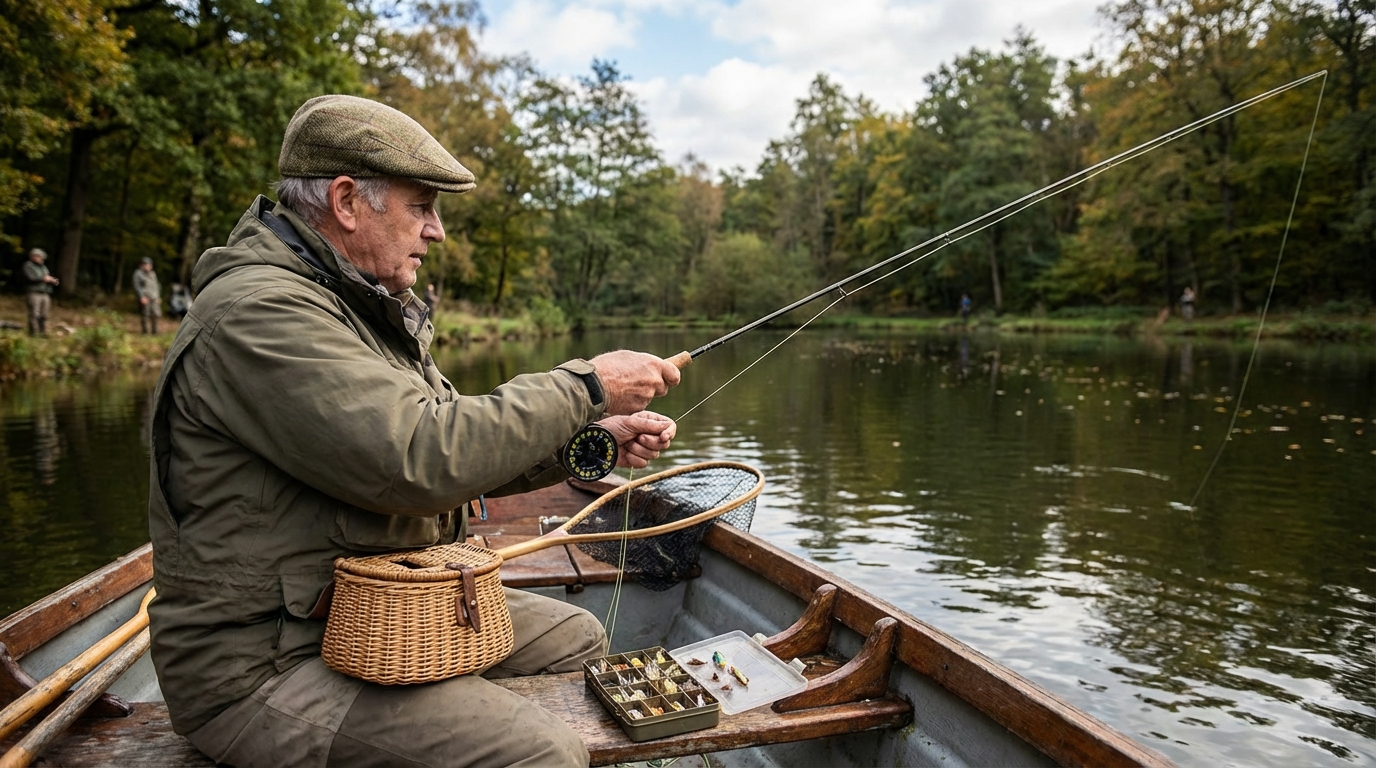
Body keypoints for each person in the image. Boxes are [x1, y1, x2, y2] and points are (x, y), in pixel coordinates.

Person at [146, 94, 681, 768]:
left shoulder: (360, 308)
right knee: (541, 754)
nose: (437, 231)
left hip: (368, 616)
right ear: (346, 202)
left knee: (575, 638)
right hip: (262, 664)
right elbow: (420, 457)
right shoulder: (261, 314)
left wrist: (592, 432)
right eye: (421, 207)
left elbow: (462, 449)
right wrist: (587, 385)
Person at [22, 248, 58, 335]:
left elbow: (46, 278)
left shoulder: (43, 267)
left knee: (44, 314)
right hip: (34, 293)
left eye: (42, 257)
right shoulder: (28, 266)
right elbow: (30, 278)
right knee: (34, 314)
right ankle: (34, 333)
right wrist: (43, 279)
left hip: (45, 293)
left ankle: (44, 332)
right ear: (33, 257)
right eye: (39, 257)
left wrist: (52, 281)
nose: (41, 259)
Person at [133, 257, 161, 334]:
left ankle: (155, 331)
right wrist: (141, 297)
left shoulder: (153, 274)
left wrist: (158, 296)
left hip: (154, 297)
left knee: (156, 314)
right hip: (145, 297)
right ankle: (145, 331)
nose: (147, 266)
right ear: (142, 265)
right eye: (145, 264)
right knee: (145, 315)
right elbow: (137, 286)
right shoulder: (138, 273)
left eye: (149, 264)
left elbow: (156, 285)